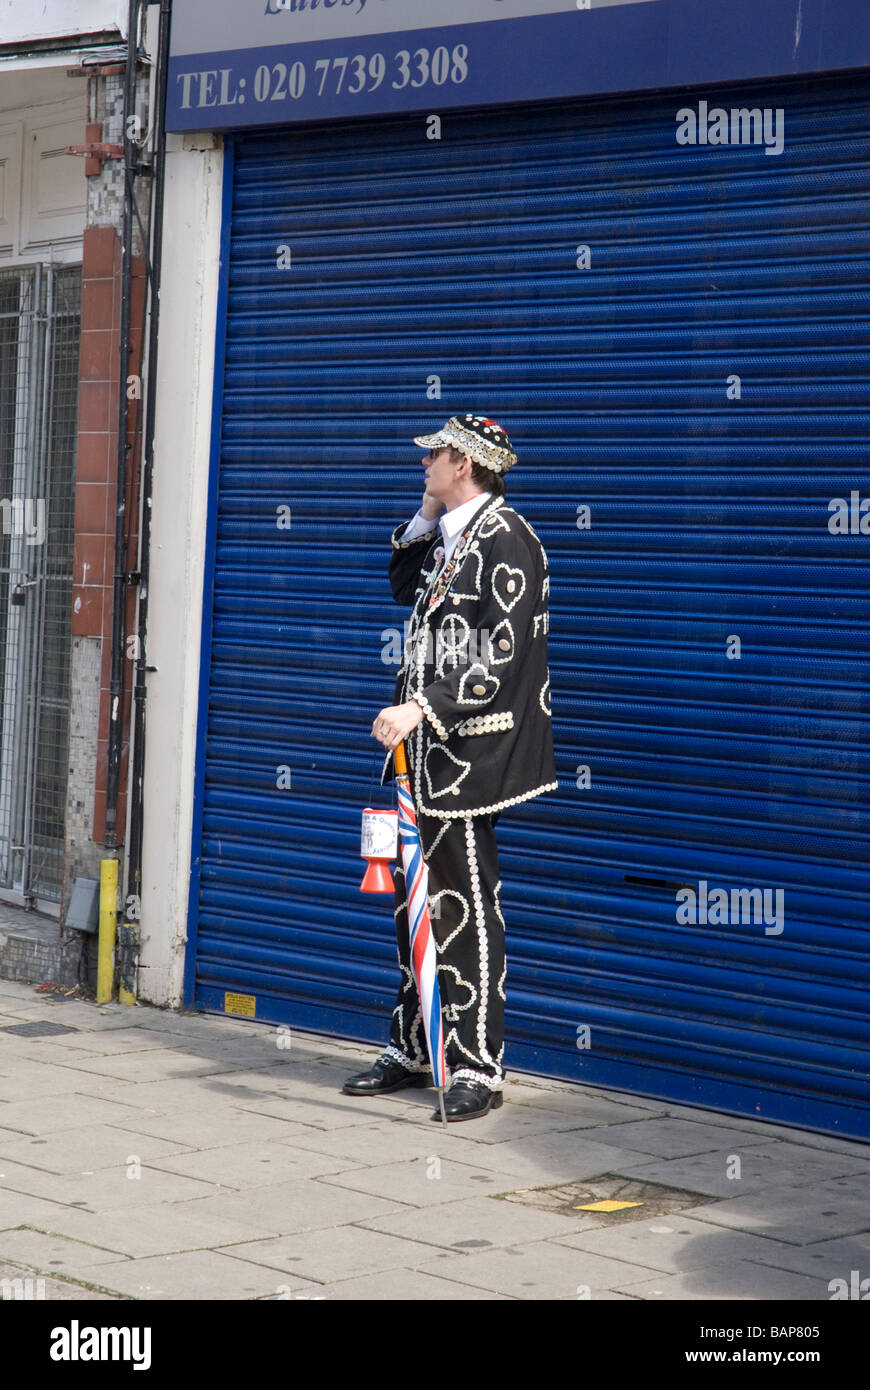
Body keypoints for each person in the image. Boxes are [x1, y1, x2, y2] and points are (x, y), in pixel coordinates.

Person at [342, 414, 557, 1121]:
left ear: (463, 461)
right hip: (421, 756)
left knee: (465, 907)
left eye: (433, 456)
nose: (424, 463)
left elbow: (502, 653)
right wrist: (428, 513)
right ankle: (413, 1046)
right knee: (414, 910)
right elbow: (401, 584)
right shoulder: (452, 534)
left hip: (471, 754)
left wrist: (420, 707)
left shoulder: (508, 539)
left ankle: (477, 1069)